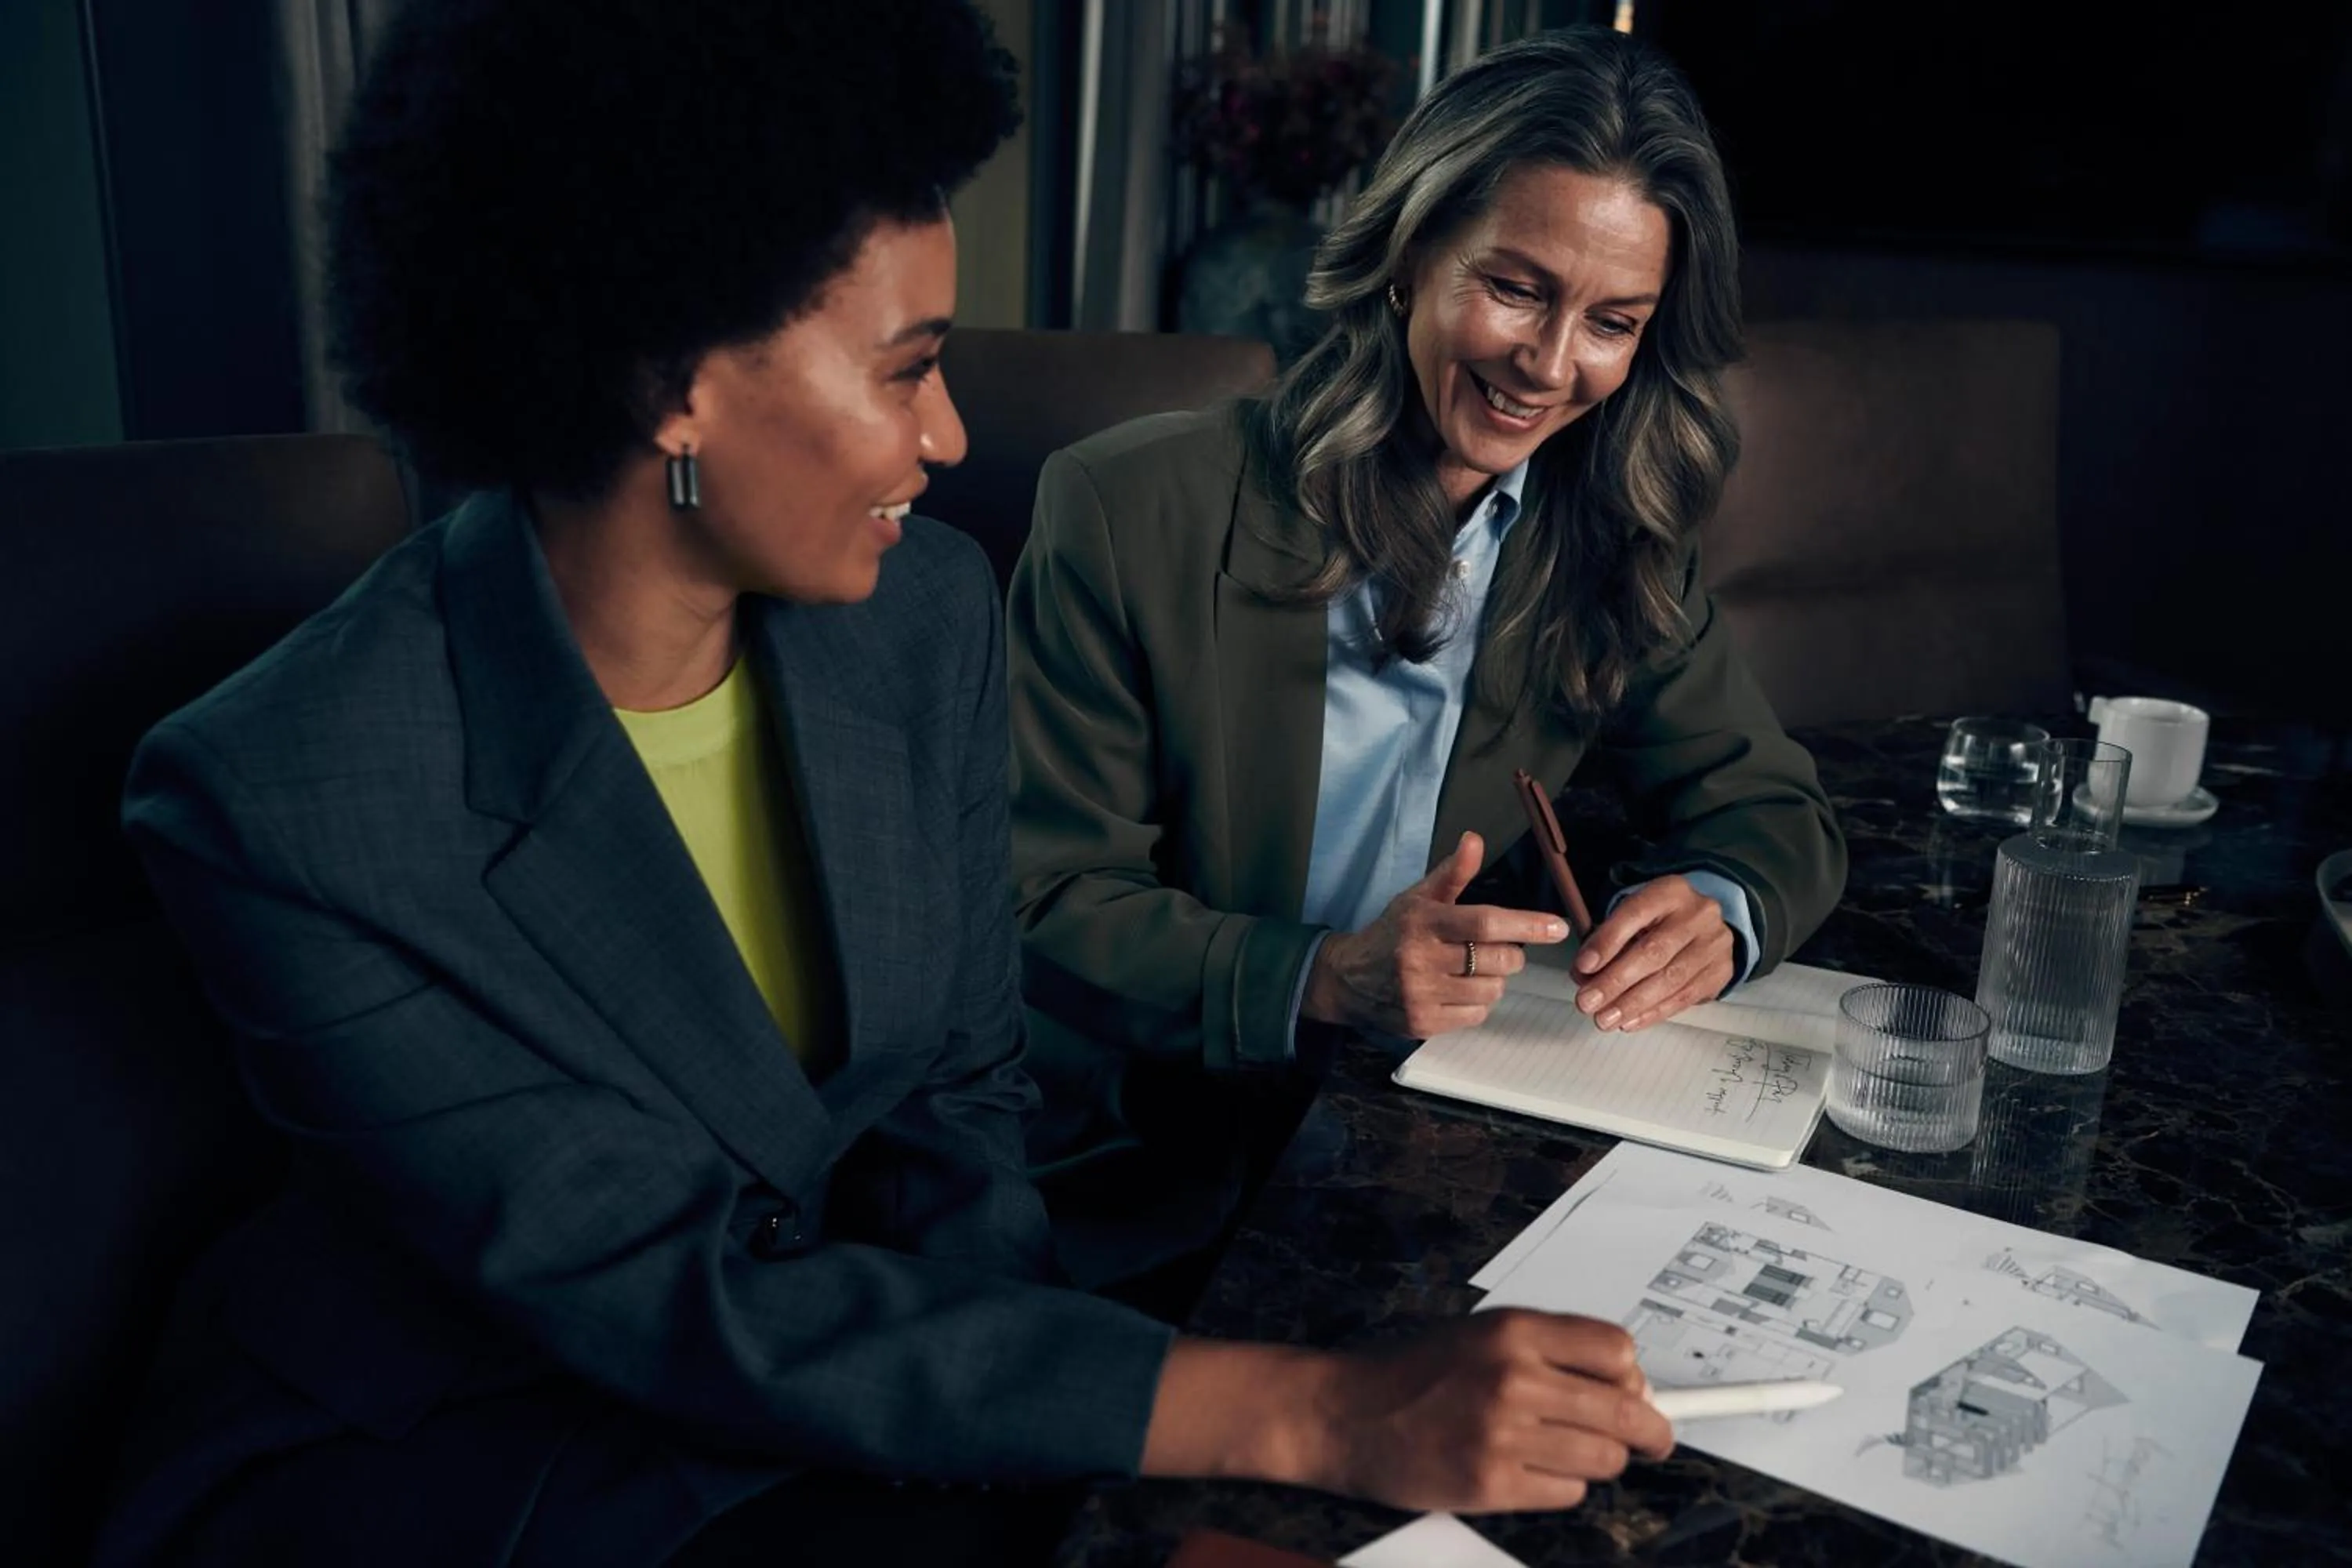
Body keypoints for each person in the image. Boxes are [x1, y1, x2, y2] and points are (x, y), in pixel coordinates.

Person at [91, 5, 1674, 1564]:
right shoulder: (280, 796)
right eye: (907, 367)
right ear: (673, 380)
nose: (948, 431)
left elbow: (958, 1104)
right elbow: (668, 1295)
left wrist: (1032, 1436)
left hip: (872, 1365)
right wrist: (1304, 1414)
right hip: (486, 1447)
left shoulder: (915, 619)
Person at [1009, 27, 1848, 1289]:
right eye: (1515, 288)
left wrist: (1721, 913)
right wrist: (1323, 979)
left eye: (1611, 321)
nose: (1552, 366)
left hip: (1425, 1141)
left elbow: (1774, 812)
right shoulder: (1125, 506)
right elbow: (1042, 906)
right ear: (1410, 256)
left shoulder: (1612, 539)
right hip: (1138, 1157)